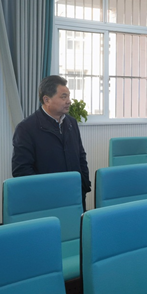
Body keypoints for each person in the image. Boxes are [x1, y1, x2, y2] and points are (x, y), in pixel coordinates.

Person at [12, 75, 91, 209]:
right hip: (46, 201)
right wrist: (46, 193)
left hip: (75, 194)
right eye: (63, 97)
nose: (69, 101)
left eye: (68, 96)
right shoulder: (26, 128)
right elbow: (21, 170)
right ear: (47, 100)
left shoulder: (71, 123)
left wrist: (84, 184)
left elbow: (80, 156)